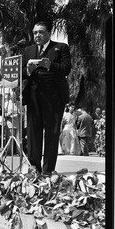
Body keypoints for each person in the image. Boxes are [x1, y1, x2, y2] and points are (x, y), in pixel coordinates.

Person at [22, 21, 71, 175]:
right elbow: (21, 72)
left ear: (49, 33)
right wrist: (28, 70)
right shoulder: (28, 50)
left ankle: (48, 170)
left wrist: (51, 65)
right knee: (33, 133)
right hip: (33, 96)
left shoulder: (61, 47)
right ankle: (34, 168)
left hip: (54, 97)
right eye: (35, 32)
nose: (37, 35)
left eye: (41, 32)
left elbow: (66, 68)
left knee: (52, 133)